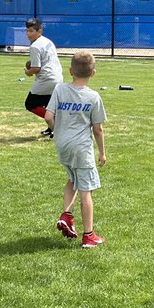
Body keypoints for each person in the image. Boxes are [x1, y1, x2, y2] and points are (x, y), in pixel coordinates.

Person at [47, 51, 108, 248]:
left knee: (72, 179)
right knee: (85, 191)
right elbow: (97, 129)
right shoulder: (93, 96)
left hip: (62, 145)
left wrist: (59, 131)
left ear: (70, 71)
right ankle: (89, 235)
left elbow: (48, 116)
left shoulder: (59, 89)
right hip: (81, 149)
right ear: (93, 73)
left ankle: (66, 215)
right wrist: (102, 152)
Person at [24, 18, 63, 138]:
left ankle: (55, 126)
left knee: (30, 104)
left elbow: (36, 68)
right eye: (27, 31)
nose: (28, 34)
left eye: (31, 31)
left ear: (39, 31)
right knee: (48, 103)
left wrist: (28, 72)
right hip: (57, 76)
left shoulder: (35, 46)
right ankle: (51, 127)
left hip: (46, 79)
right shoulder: (47, 41)